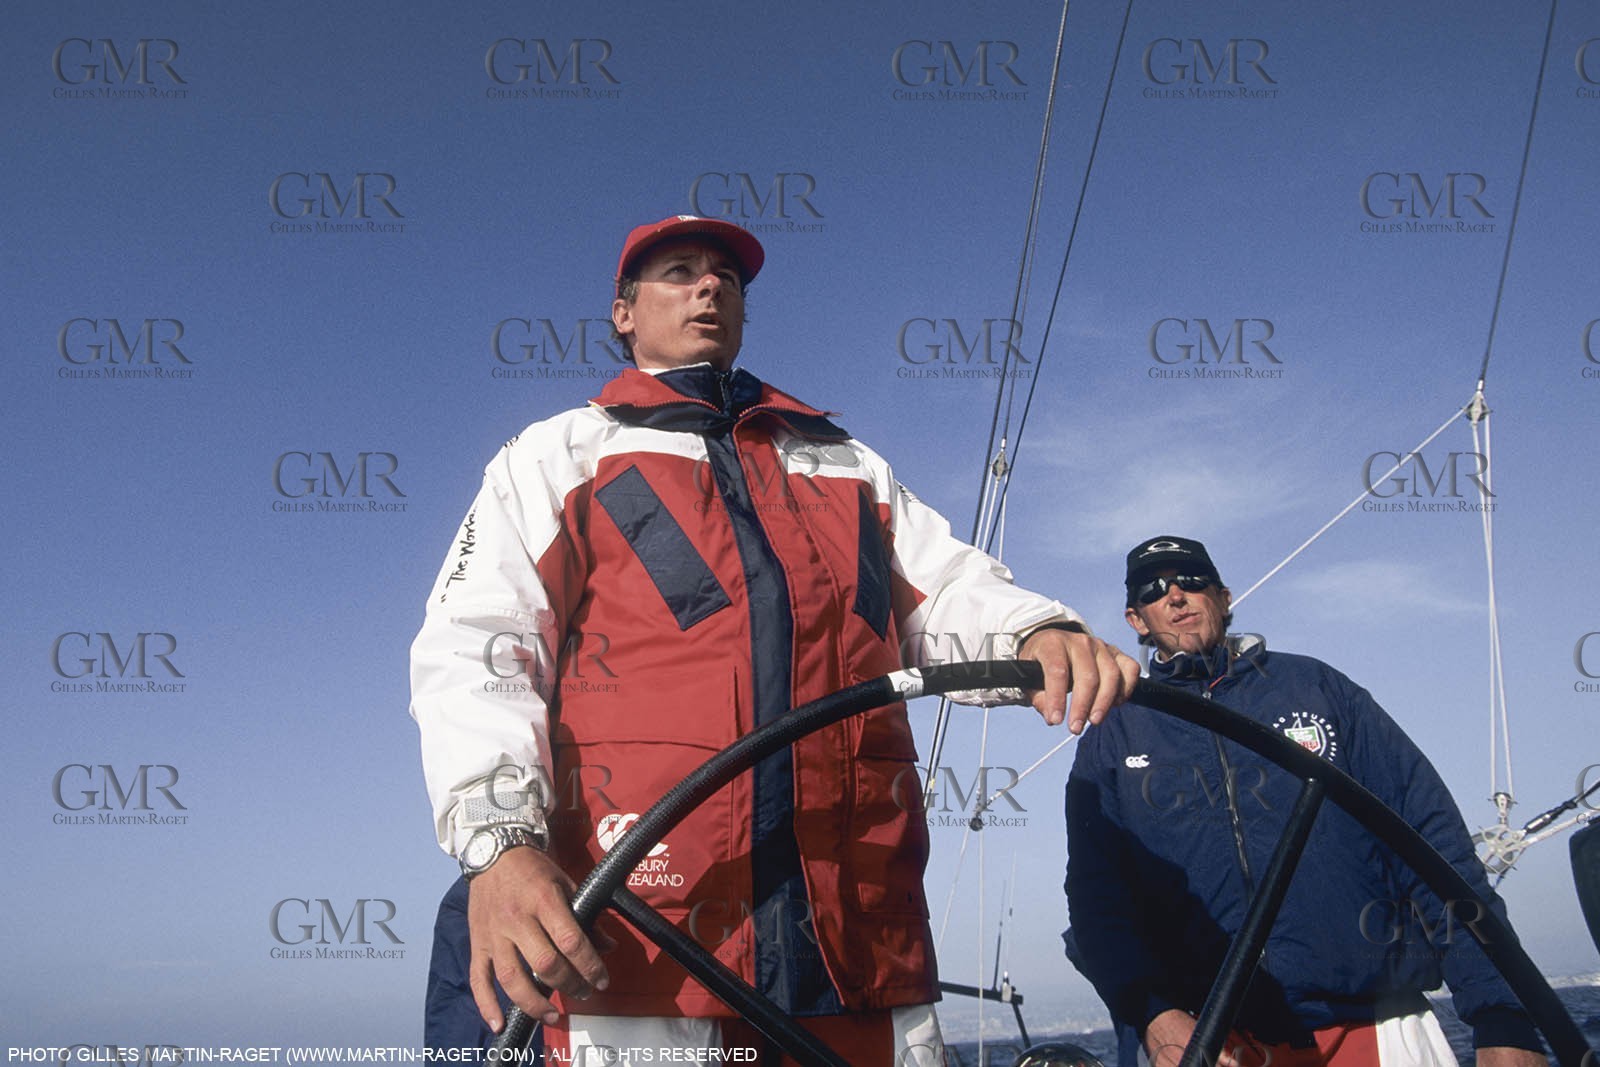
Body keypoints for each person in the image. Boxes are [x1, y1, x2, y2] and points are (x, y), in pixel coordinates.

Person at [410, 214, 1140, 1063]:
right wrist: (499, 843)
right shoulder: (558, 455)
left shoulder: (845, 462)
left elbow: (944, 588)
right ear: (624, 312)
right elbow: (477, 647)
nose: (708, 286)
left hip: (865, 942)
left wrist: (1036, 628)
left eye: (725, 277)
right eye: (679, 271)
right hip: (645, 952)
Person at [1062, 535, 1546, 1067]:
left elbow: (1434, 843)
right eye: (1154, 590)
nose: (1176, 596)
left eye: (1192, 581)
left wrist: (1503, 1016)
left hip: (1376, 1026)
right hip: (1211, 1045)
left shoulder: (1319, 689)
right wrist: (1154, 1014)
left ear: (1224, 597)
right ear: (1136, 619)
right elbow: (1097, 899)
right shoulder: (1115, 733)